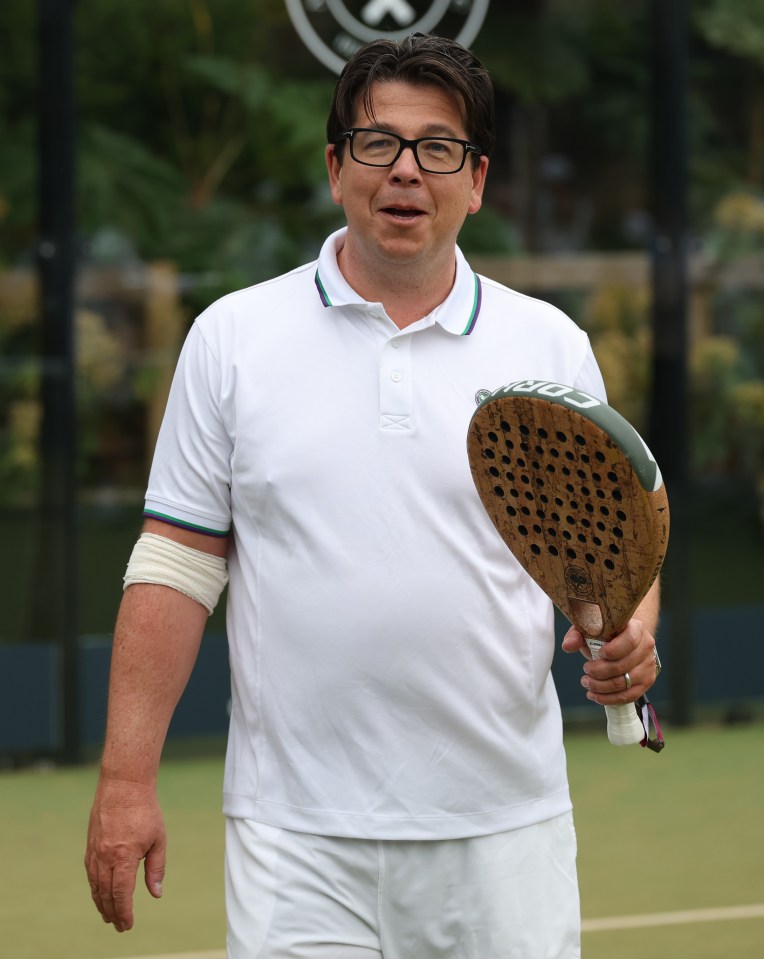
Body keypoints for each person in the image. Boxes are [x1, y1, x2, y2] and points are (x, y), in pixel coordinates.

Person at [85, 33, 661, 958]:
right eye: (377, 143)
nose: (405, 171)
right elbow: (175, 565)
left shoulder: (548, 344)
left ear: (475, 180)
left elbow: (604, 543)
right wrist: (124, 780)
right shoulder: (232, 337)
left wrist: (632, 633)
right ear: (334, 166)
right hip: (294, 838)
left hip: (501, 831)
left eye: (438, 148)